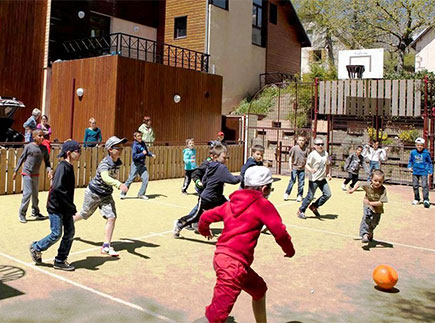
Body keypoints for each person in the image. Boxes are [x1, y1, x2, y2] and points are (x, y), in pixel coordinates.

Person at [198, 166, 295, 323]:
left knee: (259, 289)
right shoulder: (263, 205)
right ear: (264, 189)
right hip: (234, 266)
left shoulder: (230, 204)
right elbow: (280, 233)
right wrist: (289, 250)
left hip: (223, 258)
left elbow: (205, 217)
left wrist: (204, 231)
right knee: (216, 316)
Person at [29, 140, 81, 271]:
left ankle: (60, 260)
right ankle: (36, 247)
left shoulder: (69, 166)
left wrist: (69, 206)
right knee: (56, 233)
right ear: (69, 153)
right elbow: (57, 188)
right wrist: (70, 205)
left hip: (66, 207)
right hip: (56, 207)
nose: (79, 153)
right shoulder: (63, 166)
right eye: (77, 151)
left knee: (70, 233)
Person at [73, 136, 129, 257]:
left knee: (112, 217)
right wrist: (119, 184)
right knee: (84, 214)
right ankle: (68, 222)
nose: (121, 150)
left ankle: (106, 246)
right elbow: (105, 177)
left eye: (122, 147)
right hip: (93, 193)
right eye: (118, 148)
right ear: (110, 149)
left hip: (106, 195)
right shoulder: (105, 163)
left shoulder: (118, 162)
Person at [173, 144, 241, 238]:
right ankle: (179, 224)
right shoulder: (220, 168)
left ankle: (235, 230)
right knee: (195, 217)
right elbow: (233, 180)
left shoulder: (212, 165)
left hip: (218, 198)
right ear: (216, 157)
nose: (226, 160)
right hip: (207, 199)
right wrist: (243, 176)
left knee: (231, 210)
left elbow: (206, 179)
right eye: (224, 157)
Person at [13, 129, 53, 223]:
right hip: (27, 173)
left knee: (35, 194)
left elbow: (47, 161)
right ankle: (22, 214)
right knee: (28, 193)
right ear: (34, 137)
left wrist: (49, 170)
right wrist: (16, 171)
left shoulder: (43, 148)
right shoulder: (29, 147)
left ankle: (35, 212)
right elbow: (21, 158)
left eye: (43, 135)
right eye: (39, 136)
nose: (42, 137)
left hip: (35, 174)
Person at [348, 169, 388, 243]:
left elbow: (381, 203)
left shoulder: (383, 190)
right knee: (366, 219)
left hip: (377, 209)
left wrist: (370, 203)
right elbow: (359, 183)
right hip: (367, 206)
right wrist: (352, 190)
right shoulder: (367, 185)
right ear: (371, 179)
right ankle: (364, 234)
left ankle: (370, 232)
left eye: (380, 182)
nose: (377, 183)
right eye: (375, 180)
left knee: (374, 223)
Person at [297, 137, 331, 219]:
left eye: (322, 144)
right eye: (318, 144)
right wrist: (311, 170)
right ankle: (301, 210)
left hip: (322, 179)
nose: (320, 146)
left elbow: (328, 164)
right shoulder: (312, 155)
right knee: (310, 196)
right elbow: (306, 165)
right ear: (314, 146)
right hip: (314, 179)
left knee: (327, 194)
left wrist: (328, 173)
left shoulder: (325, 154)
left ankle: (314, 206)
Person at [121, 131, 156, 200]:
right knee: (130, 179)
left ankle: (141, 194)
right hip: (136, 165)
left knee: (145, 179)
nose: (140, 137)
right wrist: (142, 154)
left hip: (142, 165)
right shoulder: (135, 145)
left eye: (141, 136)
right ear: (135, 137)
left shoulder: (143, 143)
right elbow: (134, 156)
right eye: (138, 136)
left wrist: (151, 154)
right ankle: (123, 193)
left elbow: (146, 152)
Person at [408, 137, 433, 208]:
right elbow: (410, 161)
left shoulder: (426, 153)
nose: (419, 147)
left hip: (424, 171)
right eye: (418, 145)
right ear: (416, 145)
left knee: (424, 185)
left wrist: (430, 171)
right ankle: (417, 198)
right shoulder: (413, 152)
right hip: (415, 171)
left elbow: (429, 162)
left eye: (421, 145)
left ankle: (426, 199)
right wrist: (409, 166)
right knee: (415, 185)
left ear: (423, 145)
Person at [284, 135, 308, 202]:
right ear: (297, 141)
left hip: (302, 169)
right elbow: (291, 158)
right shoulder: (294, 148)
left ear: (305, 141)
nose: (301, 142)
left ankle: (299, 195)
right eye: (300, 140)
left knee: (301, 183)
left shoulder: (306, 149)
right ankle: (287, 193)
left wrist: (306, 166)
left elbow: (307, 159)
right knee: (292, 181)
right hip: (294, 168)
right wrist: (290, 167)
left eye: (302, 140)